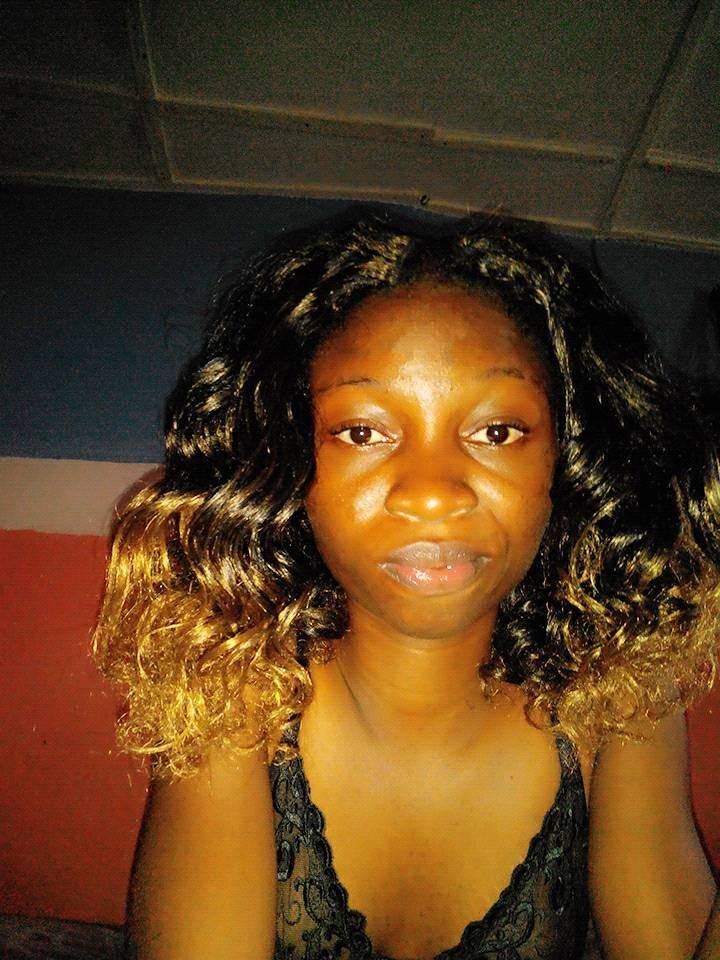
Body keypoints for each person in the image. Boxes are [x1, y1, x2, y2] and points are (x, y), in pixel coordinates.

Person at [93, 212, 720, 960]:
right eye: (363, 431)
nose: (432, 493)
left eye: (496, 432)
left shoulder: (620, 697)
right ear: (286, 460)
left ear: (569, 460)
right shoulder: (231, 693)